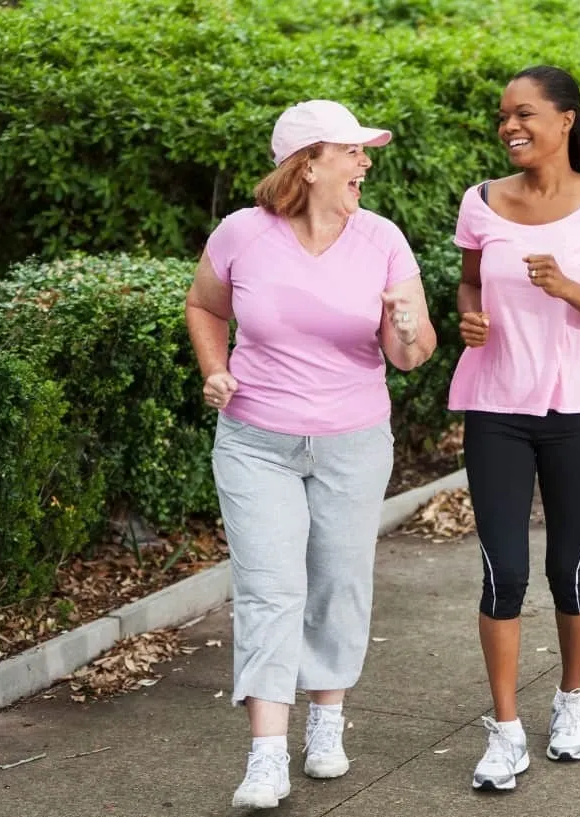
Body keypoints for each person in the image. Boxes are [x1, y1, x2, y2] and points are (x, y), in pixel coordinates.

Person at [184, 99, 437, 809]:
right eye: (351, 151)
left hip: (352, 440)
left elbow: (412, 357)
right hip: (256, 439)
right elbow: (205, 307)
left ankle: (326, 720)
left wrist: (407, 327)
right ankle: (266, 754)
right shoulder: (241, 233)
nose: (365, 161)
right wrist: (213, 368)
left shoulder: (382, 240)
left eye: (364, 151)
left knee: (338, 581)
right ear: (309, 163)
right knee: (270, 587)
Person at [448, 65, 580, 792]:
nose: (510, 126)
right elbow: (471, 279)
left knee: (568, 567)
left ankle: (570, 700)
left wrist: (567, 285)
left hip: (577, 412)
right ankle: (505, 730)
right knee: (502, 573)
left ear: (566, 120)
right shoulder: (481, 203)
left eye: (526, 114)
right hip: (496, 407)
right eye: (504, 115)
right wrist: (469, 316)